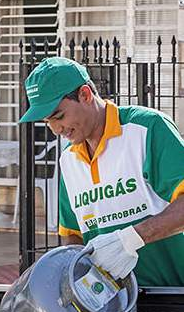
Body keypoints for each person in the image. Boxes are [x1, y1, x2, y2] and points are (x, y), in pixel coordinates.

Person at [19, 57, 184, 286]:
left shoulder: (146, 129)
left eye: (59, 116)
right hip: (115, 305)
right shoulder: (69, 160)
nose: (56, 129)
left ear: (85, 95)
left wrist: (131, 238)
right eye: (48, 122)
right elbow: (72, 235)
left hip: (174, 295)